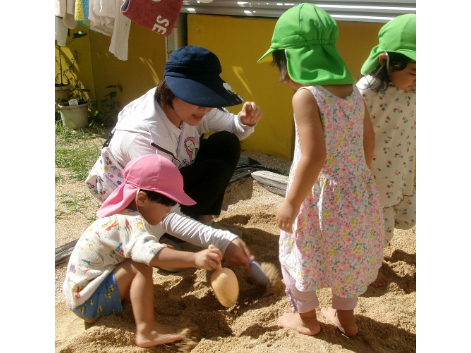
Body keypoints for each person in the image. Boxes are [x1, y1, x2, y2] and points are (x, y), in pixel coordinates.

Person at [258, 3, 384, 336]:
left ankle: (307, 319)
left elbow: (313, 157)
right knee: (348, 253)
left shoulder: (306, 96)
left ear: (290, 59)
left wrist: (291, 202)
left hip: (319, 193)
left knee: (301, 251)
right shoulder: (353, 91)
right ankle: (346, 318)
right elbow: (368, 141)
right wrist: (357, 178)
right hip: (355, 189)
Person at [63, 154, 254, 348]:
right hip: (88, 301)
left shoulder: (123, 213)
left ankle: (132, 305)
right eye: (167, 204)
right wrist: (195, 258)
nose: (170, 211)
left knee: (143, 260)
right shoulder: (130, 223)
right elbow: (153, 256)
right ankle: (147, 330)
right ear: (143, 199)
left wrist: (160, 250)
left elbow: (134, 249)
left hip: (84, 292)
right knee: (141, 266)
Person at [102, 45, 262, 239]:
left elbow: (234, 129)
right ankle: (161, 237)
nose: (206, 108)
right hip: (137, 200)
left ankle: (204, 221)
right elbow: (152, 198)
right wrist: (221, 242)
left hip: (171, 172)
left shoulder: (192, 108)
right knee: (215, 170)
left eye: (209, 99)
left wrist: (244, 122)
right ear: (171, 90)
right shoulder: (144, 134)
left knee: (227, 143)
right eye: (198, 98)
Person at [356, 14, 416, 288]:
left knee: (384, 221)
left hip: (398, 166)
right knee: (371, 223)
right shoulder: (365, 91)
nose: (418, 81)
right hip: (371, 170)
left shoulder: (412, 90)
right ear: (386, 61)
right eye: (414, 73)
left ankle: (372, 262)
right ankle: (365, 270)